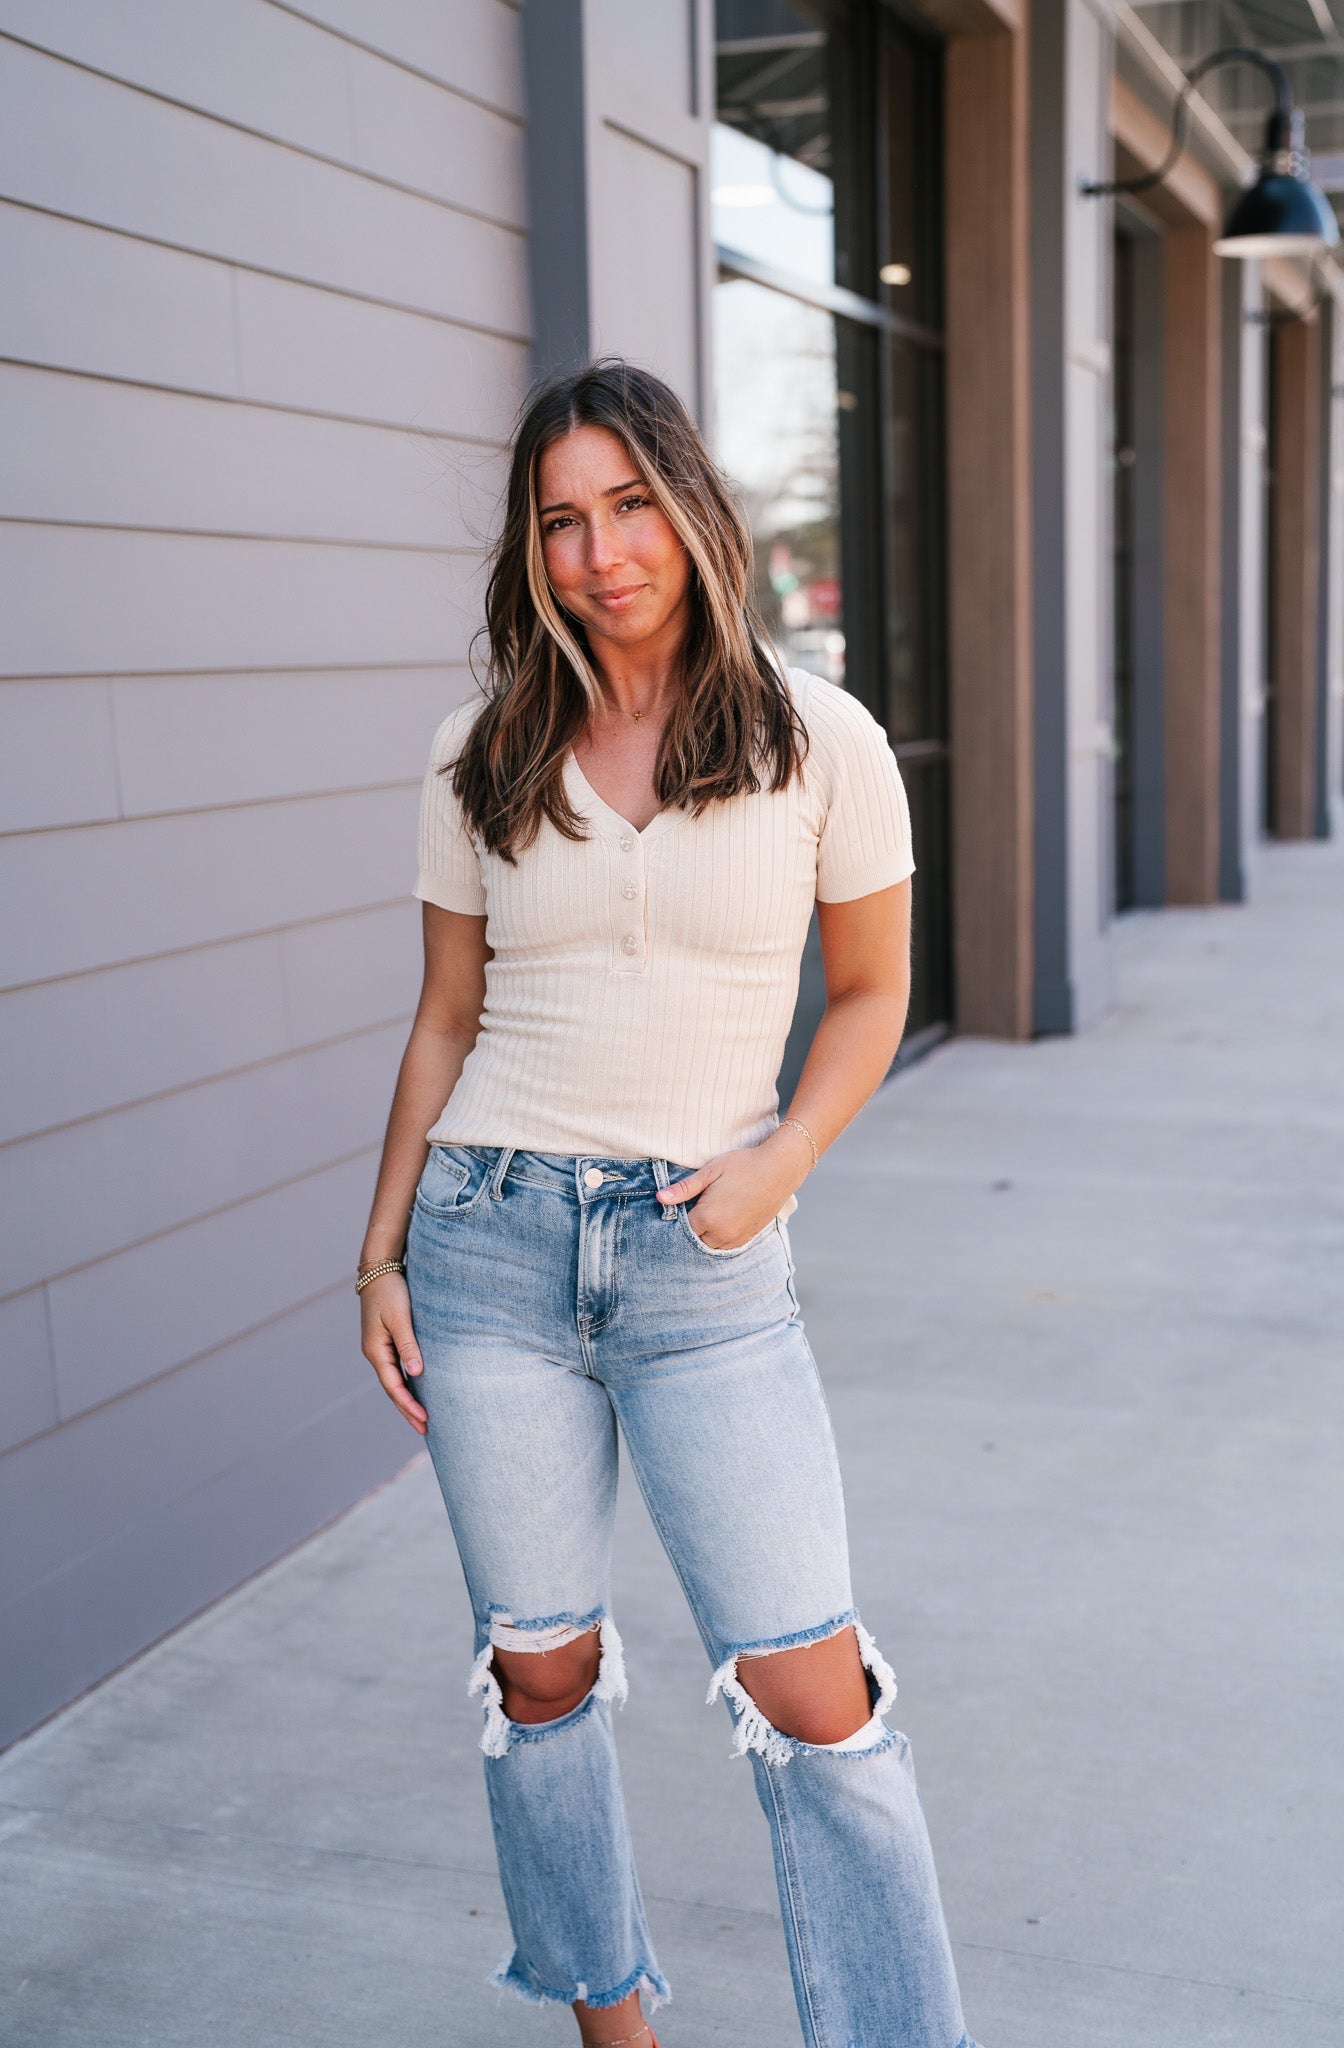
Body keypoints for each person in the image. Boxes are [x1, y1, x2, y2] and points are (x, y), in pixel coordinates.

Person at [358, 359, 982, 2048]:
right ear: (529, 547)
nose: (598, 551)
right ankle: (610, 2021)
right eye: (559, 521)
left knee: (812, 1686)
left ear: (691, 510)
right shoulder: (479, 750)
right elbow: (443, 1017)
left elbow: (869, 992)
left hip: (701, 1257)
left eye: (628, 505)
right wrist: (378, 1250)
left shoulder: (813, 732)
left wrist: (779, 1162)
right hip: (484, 1242)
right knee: (538, 1671)